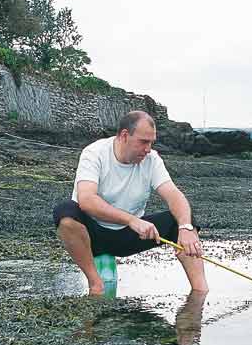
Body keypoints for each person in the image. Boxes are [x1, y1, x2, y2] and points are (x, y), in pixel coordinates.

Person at [53, 110, 209, 295]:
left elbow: (174, 195)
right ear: (125, 135)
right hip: (92, 234)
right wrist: (131, 220)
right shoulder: (94, 153)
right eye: (143, 142)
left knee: (182, 219)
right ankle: (96, 284)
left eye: (151, 142)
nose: (148, 149)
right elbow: (87, 200)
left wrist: (186, 227)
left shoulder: (152, 160)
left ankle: (201, 291)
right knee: (65, 212)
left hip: (129, 237)